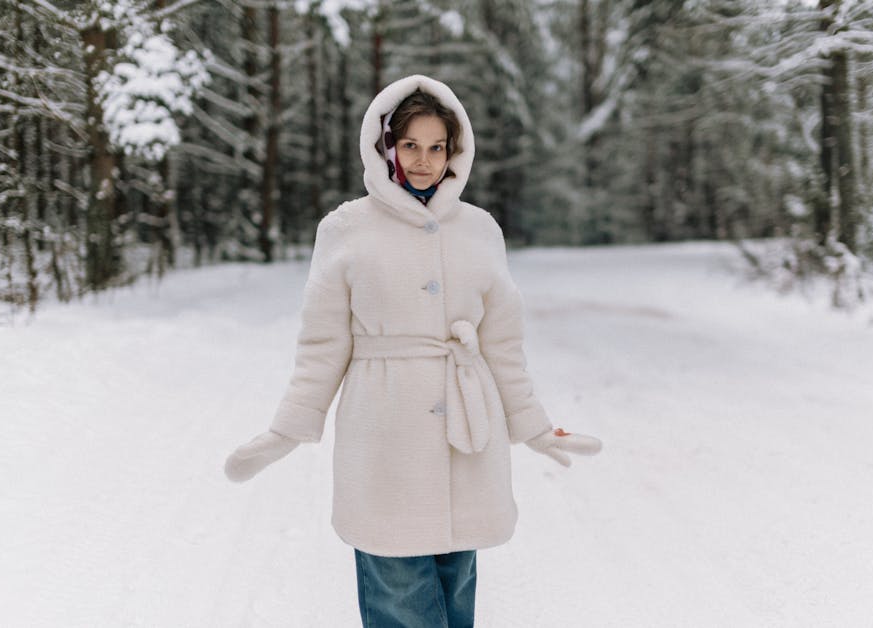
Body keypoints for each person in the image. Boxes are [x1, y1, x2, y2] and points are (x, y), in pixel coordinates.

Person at [224, 74, 602, 627]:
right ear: (386, 147)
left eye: (436, 147)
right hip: (384, 441)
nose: (424, 161)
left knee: (454, 595)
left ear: (455, 150)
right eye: (410, 145)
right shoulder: (346, 228)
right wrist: (288, 427)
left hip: (468, 442)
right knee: (401, 600)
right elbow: (323, 344)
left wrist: (536, 426)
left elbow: (502, 347)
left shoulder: (479, 230)